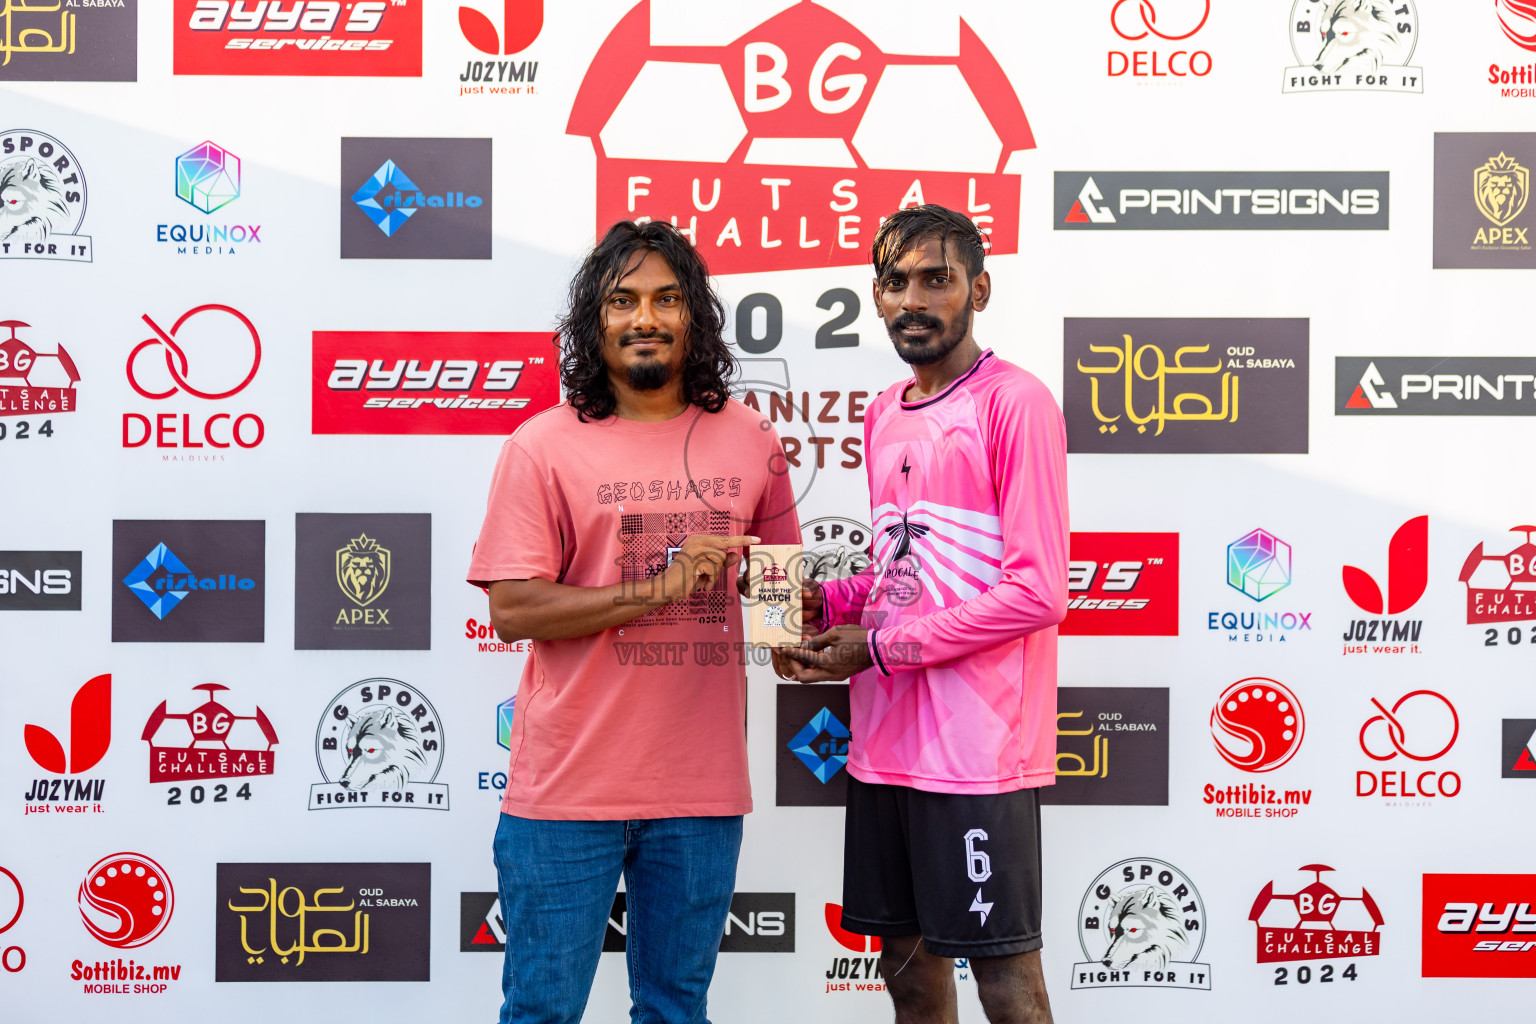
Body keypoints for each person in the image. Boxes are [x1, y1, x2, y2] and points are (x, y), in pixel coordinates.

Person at [468, 220, 799, 1024]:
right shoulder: (540, 445)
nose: (643, 317)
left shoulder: (751, 438)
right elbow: (512, 608)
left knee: (675, 1010)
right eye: (622, 301)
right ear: (596, 320)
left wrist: (810, 639)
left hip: (700, 793)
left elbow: (781, 600)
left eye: (665, 298)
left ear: (695, 318)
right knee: (542, 1011)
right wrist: (657, 590)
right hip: (563, 794)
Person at [778, 205, 1068, 1024]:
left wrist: (877, 648)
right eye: (896, 281)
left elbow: (1038, 590)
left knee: (1008, 990)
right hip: (883, 748)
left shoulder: (1016, 403)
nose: (915, 299)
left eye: (936, 279)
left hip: (974, 755)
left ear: (978, 287)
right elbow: (907, 568)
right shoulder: (882, 412)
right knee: (908, 981)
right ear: (875, 295)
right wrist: (828, 603)